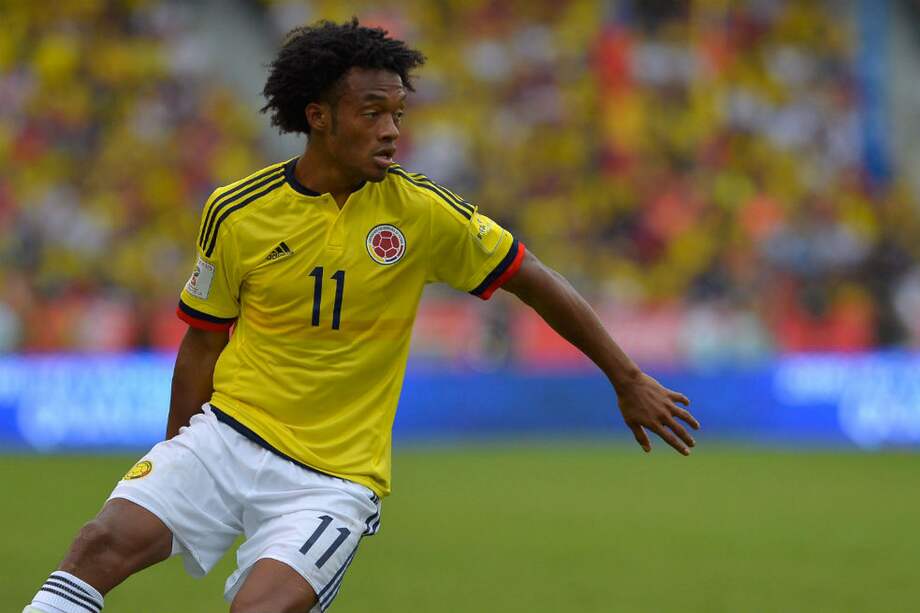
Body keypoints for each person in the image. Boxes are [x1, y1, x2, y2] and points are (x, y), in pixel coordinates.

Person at [24, 18, 699, 613]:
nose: (392, 131)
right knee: (96, 545)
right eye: (373, 111)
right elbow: (202, 344)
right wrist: (174, 458)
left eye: (398, 114)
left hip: (332, 480)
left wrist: (626, 376)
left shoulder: (422, 212)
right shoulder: (238, 211)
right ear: (318, 115)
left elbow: (534, 278)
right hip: (225, 438)